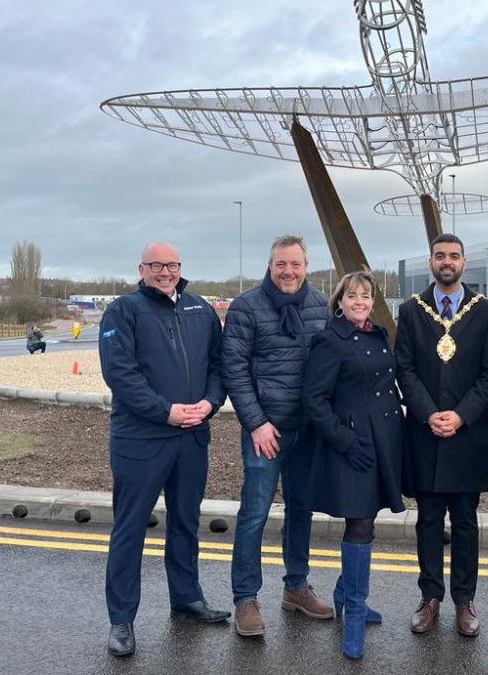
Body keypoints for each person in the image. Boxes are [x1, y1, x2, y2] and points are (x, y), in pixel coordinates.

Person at [98, 242, 229, 658]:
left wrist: (210, 403)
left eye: (172, 265)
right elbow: (120, 373)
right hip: (141, 439)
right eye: (157, 265)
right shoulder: (123, 311)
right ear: (142, 268)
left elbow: (218, 365)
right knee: (129, 529)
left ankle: (186, 598)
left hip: (192, 436)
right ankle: (122, 619)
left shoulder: (199, 309)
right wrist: (165, 412)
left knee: (186, 523)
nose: (165, 272)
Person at [222, 234, 333, 636]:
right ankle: (245, 598)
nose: (288, 271)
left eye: (296, 264)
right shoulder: (246, 306)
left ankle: (296, 587)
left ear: (307, 266)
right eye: (280, 264)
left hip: (308, 431)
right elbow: (233, 369)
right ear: (269, 265)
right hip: (265, 432)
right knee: (254, 515)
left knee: (301, 511)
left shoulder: (322, 305)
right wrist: (255, 422)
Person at [394, 233, 488, 637]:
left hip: (466, 434)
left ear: (463, 263)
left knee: (465, 522)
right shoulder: (410, 310)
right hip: (424, 433)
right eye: (440, 256)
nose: (447, 262)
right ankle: (429, 597)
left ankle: (464, 599)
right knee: (426, 520)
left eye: (454, 256)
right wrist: (428, 414)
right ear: (431, 262)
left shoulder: (487, 312)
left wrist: (459, 415)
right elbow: (403, 368)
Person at [302, 270, 404, 659]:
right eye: (352, 296)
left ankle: (346, 593)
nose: (360, 301)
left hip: (385, 441)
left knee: (369, 517)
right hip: (352, 444)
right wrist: (345, 440)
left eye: (366, 295)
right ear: (339, 301)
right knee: (359, 521)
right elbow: (314, 401)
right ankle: (355, 612)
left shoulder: (377, 335)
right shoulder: (330, 340)